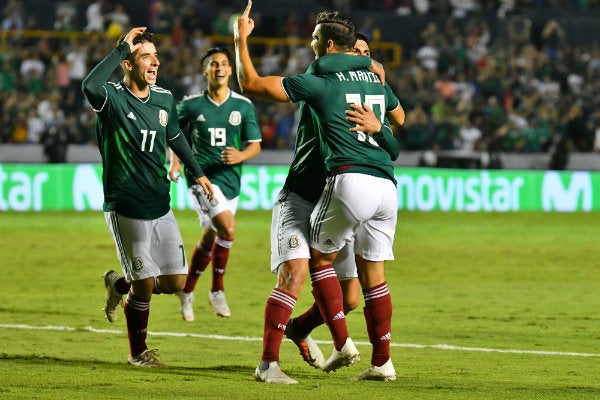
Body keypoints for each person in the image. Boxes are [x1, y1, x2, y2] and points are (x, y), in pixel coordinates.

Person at [234, 1, 404, 383]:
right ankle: (273, 362)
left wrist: (240, 40)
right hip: (304, 194)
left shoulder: (322, 81)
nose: (309, 42)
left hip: (341, 188)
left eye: (314, 37)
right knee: (300, 271)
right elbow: (400, 121)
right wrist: (376, 87)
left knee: (348, 294)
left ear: (328, 46)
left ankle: (315, 335)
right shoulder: (359, 81)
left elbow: (253, 85)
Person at [82, 27, 214, 367]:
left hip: (161, 204)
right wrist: (120, 47)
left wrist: (197, 171)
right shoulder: (111, 98)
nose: (154, 62)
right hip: (126, 206)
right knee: (144, 286)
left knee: (174, 282)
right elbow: (89, 86)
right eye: (145, 56)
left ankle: (118, 283)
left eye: (155, 55)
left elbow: (176, 138)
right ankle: (138, 353)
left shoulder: (164, 99)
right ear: (127, 64)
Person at [169, 47, 261, 321]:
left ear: (231, 70)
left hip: (231, 181)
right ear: (205, 71)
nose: (219, 68)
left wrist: (241, 155)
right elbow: (172, 132)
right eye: (213, 64)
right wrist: (174, 162)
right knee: (228, 229)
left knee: (211, 236)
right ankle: (217, 290)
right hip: (201, 178)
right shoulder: (192, 104)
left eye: (223, 64)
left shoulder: (243, 106)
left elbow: (255, 145)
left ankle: (187, 290)